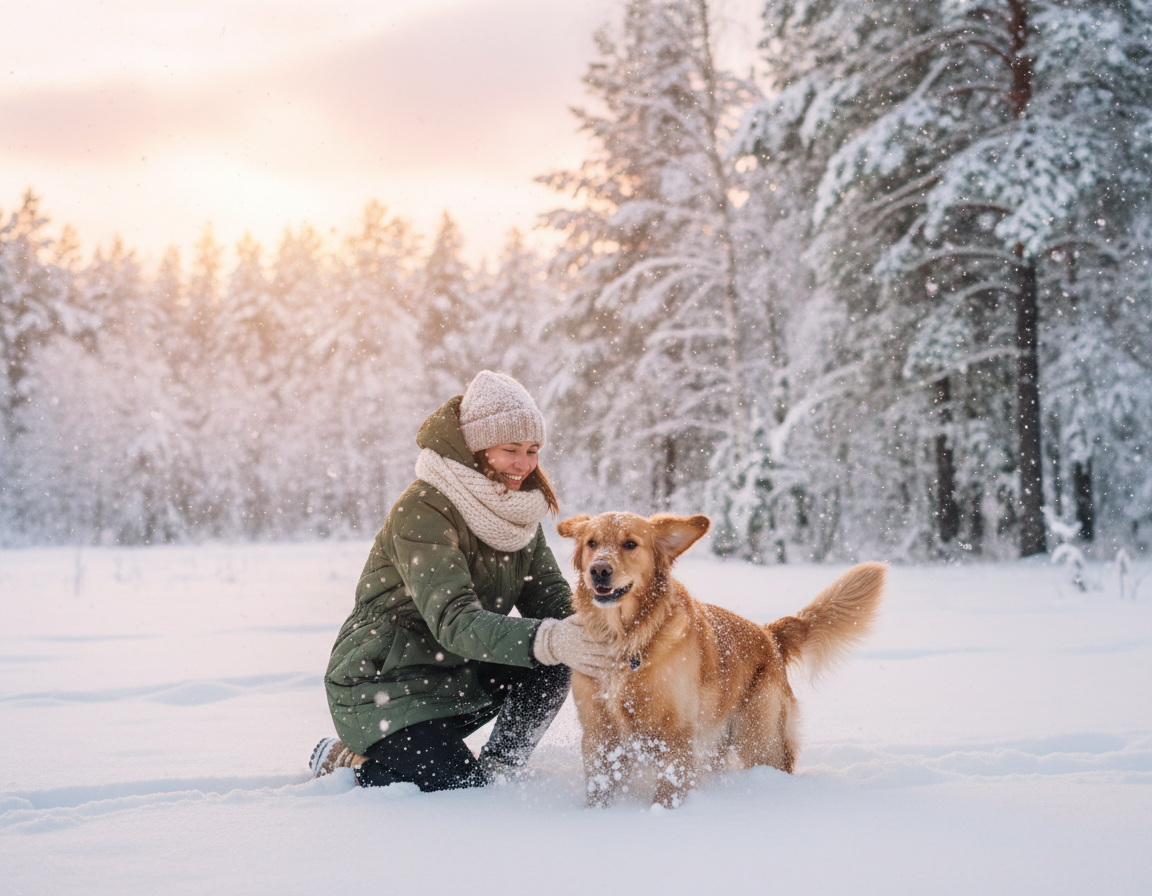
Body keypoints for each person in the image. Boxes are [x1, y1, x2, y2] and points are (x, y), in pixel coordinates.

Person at [310, 370, 613, 791]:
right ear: (475, 446)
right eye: (510, 449)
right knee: (454, 786)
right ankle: (347, 759)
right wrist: (551, 638)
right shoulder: (424, 508)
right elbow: (455, 620)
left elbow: (550, 600)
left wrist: (605, 632)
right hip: (382, 682)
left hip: (455, 670)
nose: (524, 465)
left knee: (558, 653)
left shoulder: (518, 514)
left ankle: (501, 770)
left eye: (532, 450)